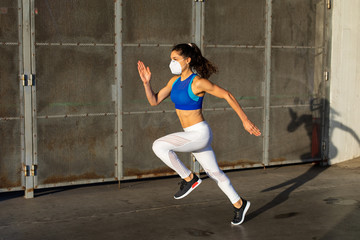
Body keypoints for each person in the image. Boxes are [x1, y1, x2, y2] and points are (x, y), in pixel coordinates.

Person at [137, 43, 261, 225]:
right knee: (215, 174)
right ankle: (239, 204)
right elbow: (154, 101)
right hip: (191, 136)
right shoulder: (174, 81)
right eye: (171, 59)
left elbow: (227, 95)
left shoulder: (198, 82)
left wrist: (245, 120)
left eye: (175, 59)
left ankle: (189, 178)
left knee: (158, 145)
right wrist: (147, 83)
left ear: (187, 60)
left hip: (199, 134)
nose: (171, 63)